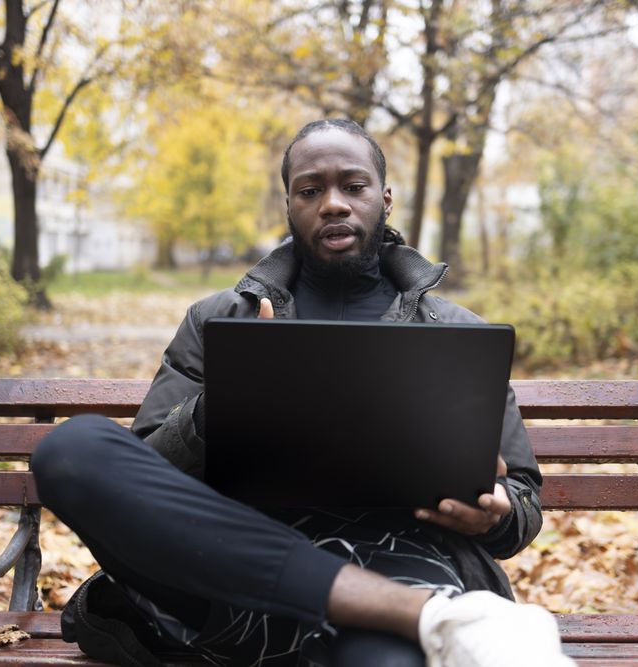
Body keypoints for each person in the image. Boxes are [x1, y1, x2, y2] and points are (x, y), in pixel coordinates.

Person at [31, 119, 573, 667]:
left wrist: (496, 515)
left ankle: (407, 614)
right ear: (288, 206)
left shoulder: (456, 333)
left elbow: (521, 502)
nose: (333, 204)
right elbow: (143, 470)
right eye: (311, 190)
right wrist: (232, 400)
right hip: (224, 567)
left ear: (384, 199)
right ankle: (427, 616)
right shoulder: (218, 319)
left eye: (353, 186)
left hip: (395, 561)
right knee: (71, 450)